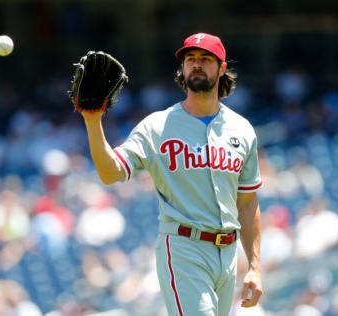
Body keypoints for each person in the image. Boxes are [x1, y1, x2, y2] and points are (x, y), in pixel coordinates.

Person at [79, 32, 263, 316]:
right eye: (190, 59)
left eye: (205, 59)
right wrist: (93, 122)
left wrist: (254, 266)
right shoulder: (157, 126)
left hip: (227, 254)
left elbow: (248, 202)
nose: (196, 64)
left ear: (222, 69)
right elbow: (110, 172)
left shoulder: (242, 129)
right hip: (184, 248)